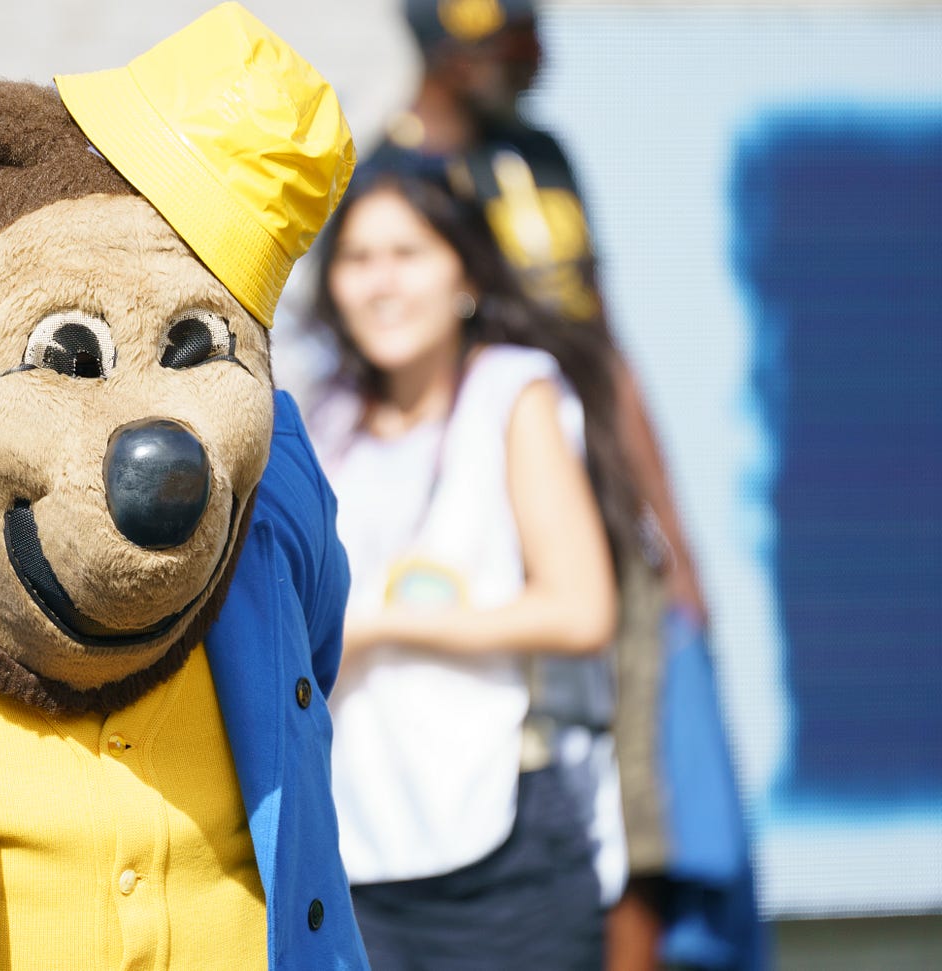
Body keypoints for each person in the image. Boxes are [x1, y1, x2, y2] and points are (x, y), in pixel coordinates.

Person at [375, 3, 764, 968]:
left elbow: (606, 343)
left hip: (599, 515)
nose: (534, 67)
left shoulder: (542, 154)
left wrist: (671, 535)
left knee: (644, 804)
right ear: (449, 50)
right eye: (512, 48)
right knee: (533, 784)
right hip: (485, 545)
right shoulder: (391, 182)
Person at [304, 160, 637, 970]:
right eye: (358, 258)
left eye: (408, 253)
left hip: (505, 838)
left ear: (466, 273)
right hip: (355, 844)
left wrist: (377, 624)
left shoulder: (512, 390)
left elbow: (581, 609)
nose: (382, 283)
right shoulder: (322, 412)